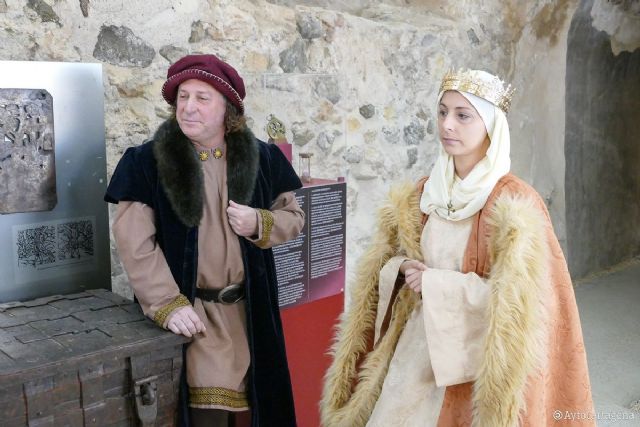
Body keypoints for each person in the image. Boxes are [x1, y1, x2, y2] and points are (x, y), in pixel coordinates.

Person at [321, 69, 594, 426]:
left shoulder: (515, 204)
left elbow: (526, 305)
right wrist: (402, 268)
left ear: (491, 126)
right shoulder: (423, 193)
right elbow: (386, 265)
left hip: (470, 357)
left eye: (463, 115)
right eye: (442, 112)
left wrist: (436, 284)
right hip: (414, 348)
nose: (447, 125)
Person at [105, 54, 304, 427]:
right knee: (202, 416)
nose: (188, 107)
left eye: (202, 98)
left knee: (258, 410)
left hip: (249, 313)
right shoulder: (149, 161)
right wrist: (167, 304)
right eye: (183, 97)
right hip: (192, 315)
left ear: (227, 108)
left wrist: (259, 222)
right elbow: (133, 239)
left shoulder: (261, 157)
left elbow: (294, 219)